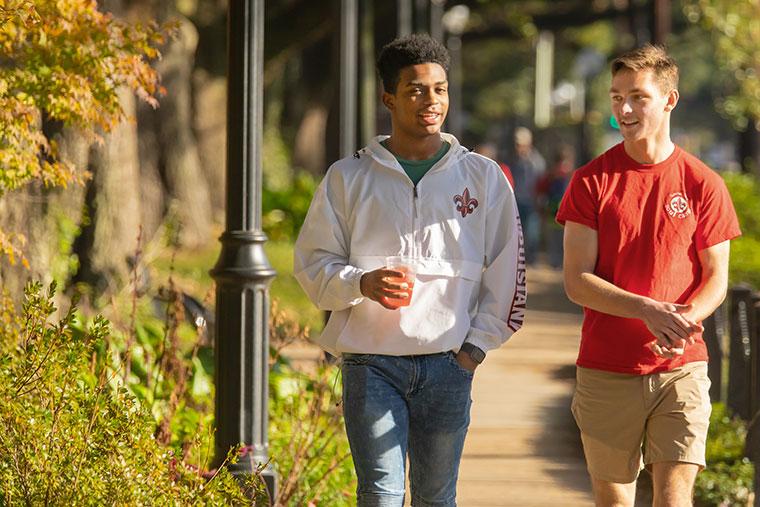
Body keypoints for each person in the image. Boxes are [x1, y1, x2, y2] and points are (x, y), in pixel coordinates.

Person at [294, 34, 525, 507]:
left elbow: (507, 271)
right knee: (380, 496)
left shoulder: (483, 178)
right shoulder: (348, 177)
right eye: (417, 89)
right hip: (370, 367)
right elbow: (312, 265)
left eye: (440, 89)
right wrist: (361, 283)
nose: (431, 100)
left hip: (449, 364)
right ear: (389, 99)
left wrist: (474, 350)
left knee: (436, 499)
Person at [557, 44, 741, 506]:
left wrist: (680, 322)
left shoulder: (704, 184)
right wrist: (647, 310)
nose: (624, 108)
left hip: (681, 366)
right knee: (615, 501)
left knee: (674, 499)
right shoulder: (590, 181)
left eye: (637, 96)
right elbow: (577, 280)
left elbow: (716, 277)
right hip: (606, 367)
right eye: (617, 96)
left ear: (669, 100)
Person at [509, 126, 545, 264]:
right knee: (518, 232)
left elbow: (541, 181)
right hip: (517, 200)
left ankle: (532, 259)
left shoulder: (536, 161)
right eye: (517, 144)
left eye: (521, 144)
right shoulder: (514, 160)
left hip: (532, 201)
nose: (519, 147)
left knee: (532, 232)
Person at [536, 144, 574, 269]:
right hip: (556, 211)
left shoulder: (560, 175)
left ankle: (558, 260)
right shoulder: (563, 175)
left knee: (559, 237)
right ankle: (557, 260)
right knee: (558, 237)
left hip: (559, 211)